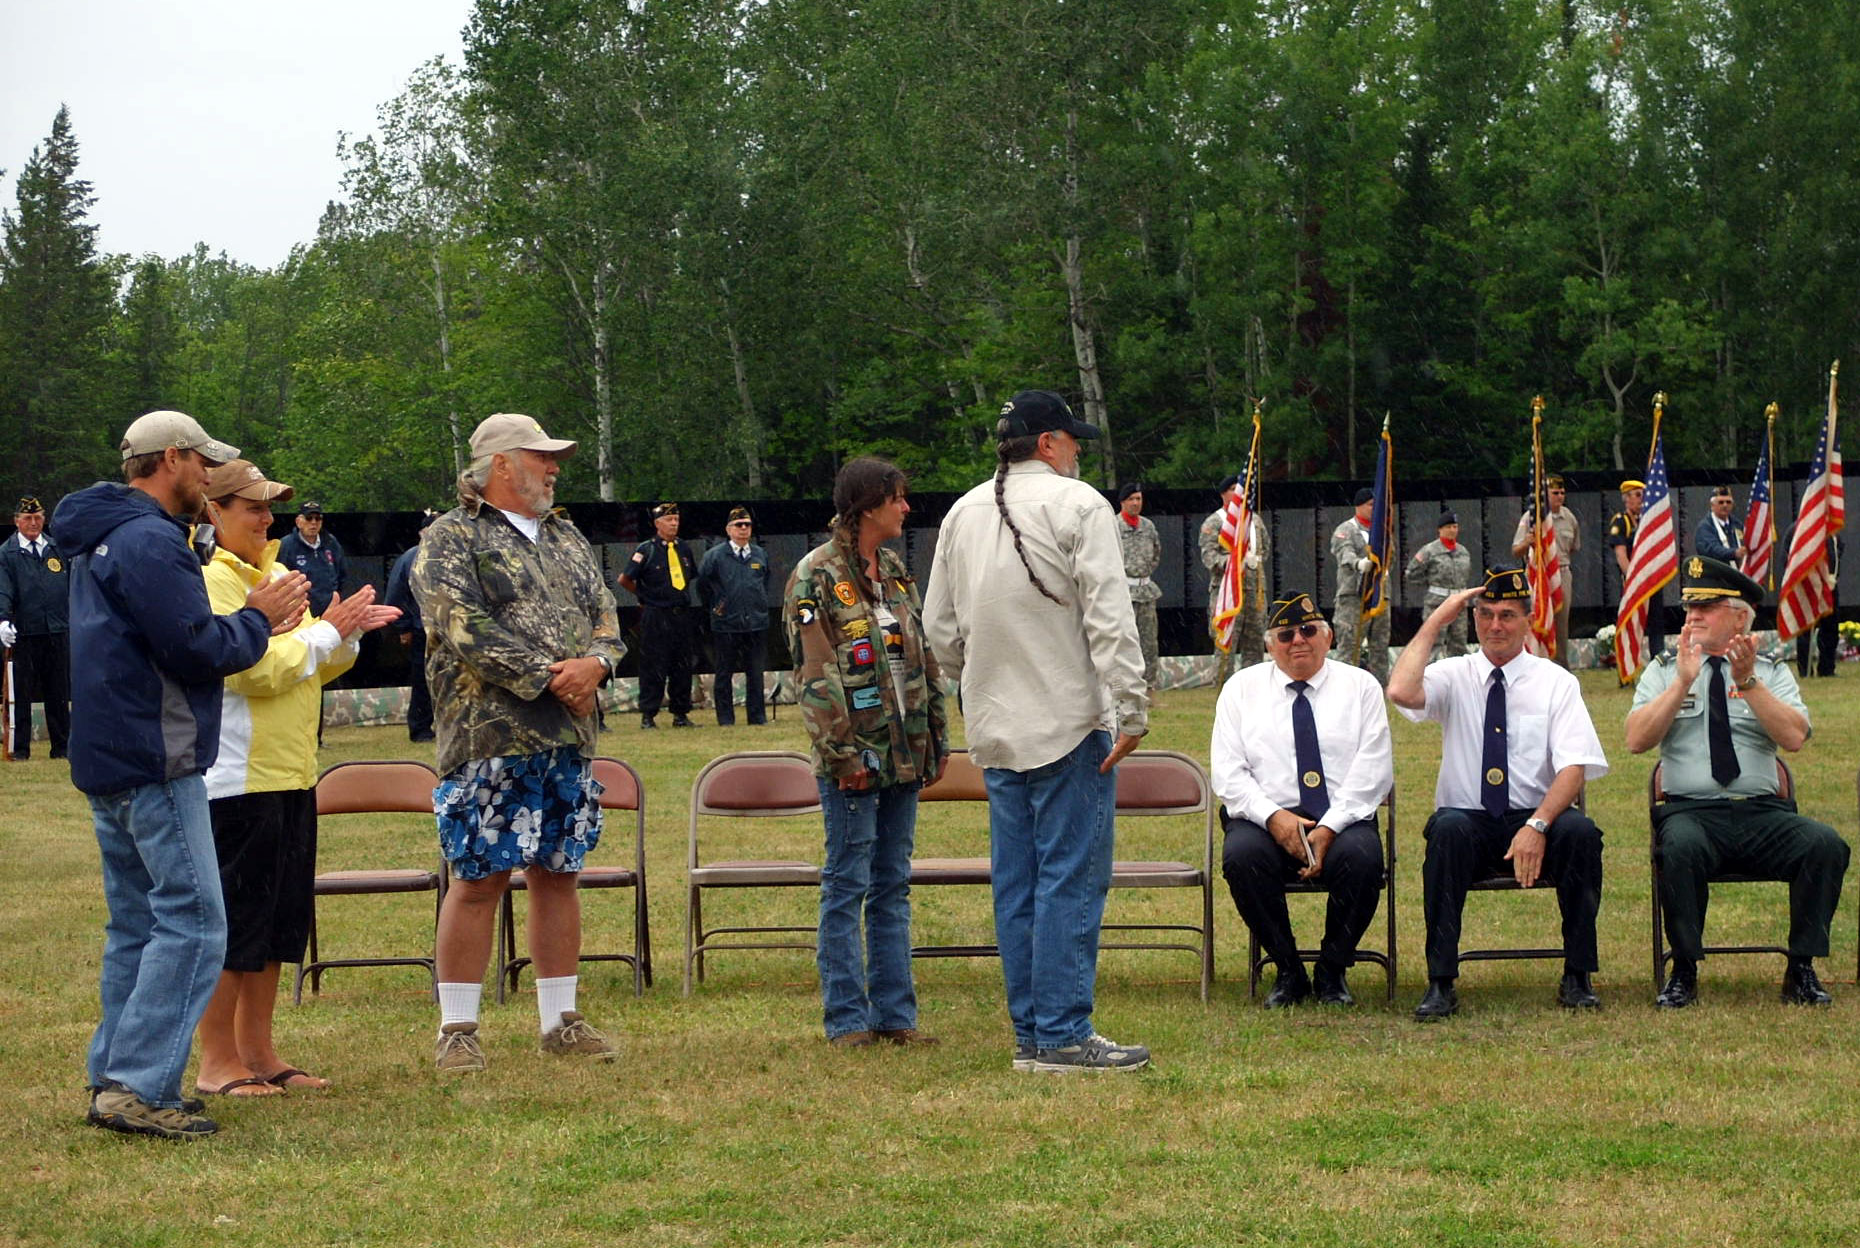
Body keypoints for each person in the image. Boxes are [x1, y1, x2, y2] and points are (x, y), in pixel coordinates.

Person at [54, 409, 307, 1140]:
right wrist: (259, 618)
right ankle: (139, 1086)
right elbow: (192, 648)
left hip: (110, 756)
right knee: (196, 923)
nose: (208, 478)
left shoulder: (99, 535)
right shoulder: (150, 541)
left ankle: (114, 1077)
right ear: (172, 459)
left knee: (137, 924)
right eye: (203, 464)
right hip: (155, 755)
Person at [924, 389, 1151, 1073]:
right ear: (1049, 443)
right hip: (1068, 720)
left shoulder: (961, 512)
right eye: (1073, 439)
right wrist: (1132, 705)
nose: (1079, 449)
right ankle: (1061, 1034)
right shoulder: (1081, 505)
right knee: (1071, 879)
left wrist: (980, 676)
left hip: (994, 725)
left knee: (1018, 882)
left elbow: (939, 630)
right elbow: (1110, 618)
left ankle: (1032, 1031)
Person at [413, 413, 628, 1073]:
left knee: (559, 873)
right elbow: (460, 626)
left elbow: (606, 615)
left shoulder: (568, 536)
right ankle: (458, 1029)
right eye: (542, 456)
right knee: (480, 877)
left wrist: (597, 664)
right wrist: (550, 678)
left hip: (567, 737)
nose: (554, 467)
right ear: (502, 464)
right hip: (490, 737)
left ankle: (560, 1019)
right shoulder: (451, 537)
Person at [193, 459, 400, 1098]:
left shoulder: (280, 575)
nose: (267, 518)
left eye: (269, 506)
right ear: (213, 512)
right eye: (252, 507)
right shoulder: (211, 581)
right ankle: (216, 1060)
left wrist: (344, 636)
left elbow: (307, 664)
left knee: (280, 923)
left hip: (290, 771)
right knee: (235, 925)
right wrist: (319, 636)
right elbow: (246, 668)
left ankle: (259, 1050)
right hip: (234, 778)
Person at [1625, 556, 1849, 1009]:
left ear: (1740, 617)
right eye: (1690, 608)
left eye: (1706, 608)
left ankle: (1801, 967)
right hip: (1690, 811)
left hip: (1762, 812)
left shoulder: (1770, 670)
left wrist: (1748, 683)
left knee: (1824, 844)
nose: (1692, 617)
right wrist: (1682, 683)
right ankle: (1683, 970)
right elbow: (1635, 740)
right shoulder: (1665, 669)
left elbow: (1793, 738)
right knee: (1680, 849)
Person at [1389, 564, 1609, 1021]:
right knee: (1445, 831)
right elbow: (1401, 690)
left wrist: (1537, 825)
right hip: (1468, 822)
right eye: (1485, 614)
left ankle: (1578, 974)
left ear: (1528, 620)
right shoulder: (1455, 674)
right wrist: (1436, 621)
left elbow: (1574, 767)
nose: (1494, 626)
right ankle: (1441, 982)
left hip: (1536, 816)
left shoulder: (1555, 682)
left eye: (1507, 615)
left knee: (1581, 834)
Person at [785, 458, 948, 1046]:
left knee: (891, 885)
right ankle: (848, 1021)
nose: (906, 508)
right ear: (866, 506)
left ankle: (895, 1019)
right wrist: (842, 756)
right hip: (856, 757)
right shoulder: (816, 576)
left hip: (904, 752)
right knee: (847, 883)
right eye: (897, 499)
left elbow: (922, 654)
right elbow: (815, 675)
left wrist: (936, 734)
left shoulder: (896, 570)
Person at [1211, 593, 1392, 1008]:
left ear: (1328, 638)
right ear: (1269, 645)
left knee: (1364, 861)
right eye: (1286, 634)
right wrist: (1274, 818)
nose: (1299, 641)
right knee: (1241, 858)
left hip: (1342, 817)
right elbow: (1228, 771)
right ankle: (1288, 969)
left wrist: (1331, 826)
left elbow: (1374, 768)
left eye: (1309, 630)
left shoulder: (1361, 687)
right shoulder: (1240, 690)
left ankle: (1332, 969)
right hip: (1264, 818)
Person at [0, 495, 70, 759]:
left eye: (38, 517)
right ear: (16, 521)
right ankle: (20, 749)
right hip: (24, 633)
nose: (33, 522)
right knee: (22, 693)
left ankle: (62, 747)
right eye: (27, 518)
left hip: (56, 629)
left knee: (58, 692)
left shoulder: (55, 548)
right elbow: (3, 589)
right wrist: (3, 619)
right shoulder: (7, 553)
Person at [619, 502, 698, 729]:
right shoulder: (646, 549)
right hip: (656, 614)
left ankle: (681, 714)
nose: (674, 524)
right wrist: (644, 597)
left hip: (680, 614)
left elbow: (690, 576)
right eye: (669, 520)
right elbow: (625, 579)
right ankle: (648, 714)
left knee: (681, 665)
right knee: (654, 665)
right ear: (657, 524)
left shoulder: (683, 548)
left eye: (676, 520)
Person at [699, 506, 772, 726]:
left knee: (755, 673)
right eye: (738, 525)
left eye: (747, 525)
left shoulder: (759, 554)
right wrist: (717, 607)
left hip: (755, 622)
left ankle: (757, 717)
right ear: (729, 529)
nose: (743, 529)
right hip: (726, 624)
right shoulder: (715, 556)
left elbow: (765, 582)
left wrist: (757, 606)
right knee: (724, 674)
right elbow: (703, 586)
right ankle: (725, 718)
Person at [1200, 474, 1269, 678]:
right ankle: (1224, 688)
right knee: (1226, 645)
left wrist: (1255, 560)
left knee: (1255, 645)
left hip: (1254, 592)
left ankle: (1254, 688)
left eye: (1240, 490)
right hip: (1227, 591)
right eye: (1232, 489)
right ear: (1223, 494)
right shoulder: (1215, 522)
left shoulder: (1254, 521)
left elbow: (1264, 547)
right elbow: (1209, 557)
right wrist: (1233, 563)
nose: (1238, 494)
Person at [1510, 474, 1579, 666]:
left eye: (1562, 492)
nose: (1560, 496)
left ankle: (1561, 667)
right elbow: (1515, 550)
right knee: (1536, 620)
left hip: (1561, 573)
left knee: (1561, 624)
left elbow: (1573, 547)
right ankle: (1534, 664)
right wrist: (1528, 542)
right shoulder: (1531, 517)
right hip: (1537, 575)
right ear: (1545, 494)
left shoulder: (1569, 518)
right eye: (1555, 492)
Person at [385, 510, 439, 742]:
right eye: (433, 529)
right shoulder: (411, 558)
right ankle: (420, 728)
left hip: (451, 630)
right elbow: (396, 594)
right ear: (422, 532)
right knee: (422, 681)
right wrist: (403, 627)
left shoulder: (454, 557)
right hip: (422, 630)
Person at [1330, 488, 1390, 685]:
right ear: (1359, 506)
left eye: (1377, 505)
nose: (1375, 509)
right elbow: (1344, 553)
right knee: (1350, 646)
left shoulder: (1381, 531)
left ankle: (1380, 689)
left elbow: (1391, 556)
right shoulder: (1345, 529)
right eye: (1371, 505)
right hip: (1353, 597)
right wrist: (1359, 564)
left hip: (1379, 596)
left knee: (1380, 646)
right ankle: (1344, 688)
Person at [1403, 510, 1473, 663]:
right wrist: (1429, 583)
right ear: (1440, 530)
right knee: (1433, 643)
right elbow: (1411, 573)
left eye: (1455, 527)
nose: (1452, 530)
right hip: (1437, 602)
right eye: (1448, 527)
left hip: (1459, 604)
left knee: (1459, 644)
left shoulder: (1463, 552)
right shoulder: (1430, 550)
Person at [1116, 482, 1163, 694]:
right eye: (1132, 499)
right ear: (1123, 502)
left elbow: (1156, 554)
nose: (1136, 503)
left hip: (1146, 591)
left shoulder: (1148, 526)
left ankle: (1149, 689)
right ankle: (1123, 689)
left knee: (1149, 643)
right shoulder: (1113, 526)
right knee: (1123, 641)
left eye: (1139, 499)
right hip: (1122, 593)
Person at [1607, 478, 1662, 656]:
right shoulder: (1621, 522)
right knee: (1631, 624)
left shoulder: (1648, 521)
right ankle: (1628, 667)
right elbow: (1621, 554)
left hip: (1652, 580)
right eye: (1638, 495)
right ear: (1626, 498)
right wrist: (1633, 579)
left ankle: (1657, 660)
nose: (1642, 499)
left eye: (1643, 495)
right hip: (1633, 581)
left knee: (1656, 623)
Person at [277, 500, 345, 616]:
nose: (313, 523)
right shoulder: (286, 545)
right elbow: (279, 580)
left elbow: (342, 575)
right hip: (301, 613)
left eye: (318, 518)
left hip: (330, 612)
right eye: (309, 518)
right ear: (298, 522)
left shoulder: (330, 542)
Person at [1693, 485, 1744, 564]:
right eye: (1721, 502)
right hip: (1716, 573)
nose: (1725, 505)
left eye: (1728, 502)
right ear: (1712, 505)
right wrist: (1734, 553)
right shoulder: (1705, 527)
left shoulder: (1737, 525)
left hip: (1737, 573)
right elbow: (1712, 550)